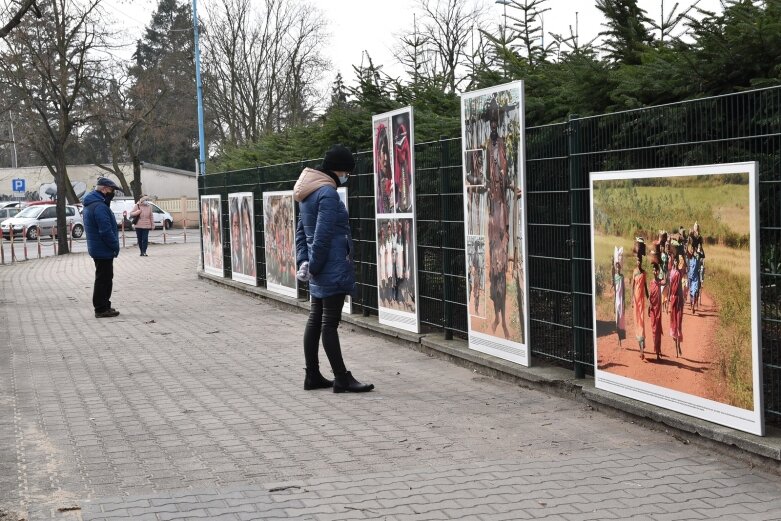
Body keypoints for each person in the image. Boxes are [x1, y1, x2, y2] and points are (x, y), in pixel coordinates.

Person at [294, 144, 374, 393]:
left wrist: (304, 262)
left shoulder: (308, 191)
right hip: (330, 265)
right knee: (329, 322)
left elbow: (301, 231)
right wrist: (315, 266)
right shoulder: (327, 193)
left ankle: (313, 375)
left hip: (318, 265)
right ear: (339, 170)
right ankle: (341, 377)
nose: (347, 177)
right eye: (347, 172)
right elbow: (323, 234)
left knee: (316, 319)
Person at [83, 178, 121, 318]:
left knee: (105, 277)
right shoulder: (99, 207)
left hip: (98, 247)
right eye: (111, 190)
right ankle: (100, 308)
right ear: (104, 189)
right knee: (103, 279)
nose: (112, 193)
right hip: (103, 248)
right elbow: (105, 230)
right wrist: (114, 245)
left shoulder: (93, 204)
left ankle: (105, 305)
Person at [631, 256, 649, 359]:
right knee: (637, 322)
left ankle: (642, 349)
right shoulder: (634, 272)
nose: (638, 262)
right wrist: (632, 300)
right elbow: (632, 287)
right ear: (636, 262)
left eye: (639, 261)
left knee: (641, 322)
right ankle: (641, 347)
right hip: (636, 300)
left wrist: (649, 299)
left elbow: (645, 288)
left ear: (641, 262)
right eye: (637, 260)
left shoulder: (644, 273)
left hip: (641, 301)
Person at [648, 262, 666, 360]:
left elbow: (666, 282)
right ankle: (657, 350)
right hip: (652, 310)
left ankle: (658, 353)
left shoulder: (659, 282)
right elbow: (650, 296)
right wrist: (648, 307)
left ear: (658, 271)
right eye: (653, 270)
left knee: (658, 330)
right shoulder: (651, 282)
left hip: (658, 310)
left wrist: (664, 268)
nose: (654, 271)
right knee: (654, 330)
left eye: (656, 270)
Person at [668, 254, 685, 357]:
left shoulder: (679, 273)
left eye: (676, 261)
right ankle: (676, 349)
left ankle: (679, 345)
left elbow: (680, 289)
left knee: (679, 324)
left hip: (679, 300)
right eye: (674, 261)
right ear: (672, 262)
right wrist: (670, 300)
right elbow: (670, 287)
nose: (675, 263)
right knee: (673, 324)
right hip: (673, 300)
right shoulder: (671, 273)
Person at [611, 247, 626, 348]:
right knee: (617, 320)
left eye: (618, 267)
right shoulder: (615, 277)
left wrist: (624, 302)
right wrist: (613, 303)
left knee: (621, 319)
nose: (617, 268)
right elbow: (615, 292)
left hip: (621, 300)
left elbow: (623, 290)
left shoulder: (622, 277)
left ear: (620, 267)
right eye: (616, 267)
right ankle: (618, 338)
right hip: (616, 300)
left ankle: (621, 338)